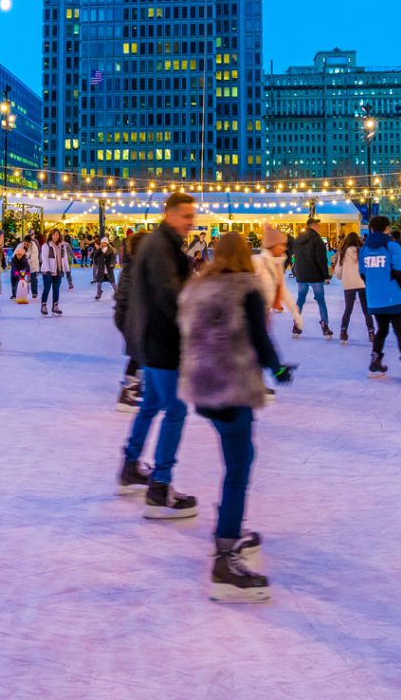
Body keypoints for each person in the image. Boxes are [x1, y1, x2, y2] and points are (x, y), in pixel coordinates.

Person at [178, 231, 292, 603]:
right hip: (232, 389)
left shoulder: (198, 288)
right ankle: (226, 558)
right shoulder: (245, 289)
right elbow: (261, 341)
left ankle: (228, 531)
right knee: (239, 468)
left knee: (236, 463)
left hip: (204, 389)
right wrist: (277, 372)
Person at [118, 193, 198, 517]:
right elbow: (171, 296)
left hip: (151, 339)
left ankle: (130, 465)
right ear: (170, 215)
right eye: (186, 216)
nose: (191, 222)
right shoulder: (162, 247)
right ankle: (160, 485)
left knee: (151, 404)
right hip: (162, 341)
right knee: (175, 410)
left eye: (193, 216)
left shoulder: (158, 243)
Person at [359, 215, 401, 381]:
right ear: (386, 228)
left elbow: (363, 273)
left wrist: (374, 285)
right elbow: (399, 271)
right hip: (393, 296)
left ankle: (375, 362)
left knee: (382, 330)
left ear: (371, 229)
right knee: (400, 331)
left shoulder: (364, 249)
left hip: (374, 297)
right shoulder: (392, 246)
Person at [253, 225, 301, 337]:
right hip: (253, 317)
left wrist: (295, 313)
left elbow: (282, 289)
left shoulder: (278, 264)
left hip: (264, 317)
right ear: (272, 245)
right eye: (282, 245)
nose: (284, 248)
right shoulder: (258, 261)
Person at [290, 216, 333, 339]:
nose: (319, 227)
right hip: (315, 276)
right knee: (320, 301)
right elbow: (321, 259)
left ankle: (296, 324)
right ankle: (325, 325)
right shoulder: (317, 240)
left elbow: (296, 257)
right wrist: (326, 276)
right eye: (317, 225)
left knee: (300, 300)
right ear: (312, 226)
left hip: (302, 275)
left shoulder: (298, 239)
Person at [112, 233, 142, 411]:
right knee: (140, 352)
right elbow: (125, 295)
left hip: (128, 314)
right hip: (128, 315)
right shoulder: (136, 266)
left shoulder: (134, 264)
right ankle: (128, 391)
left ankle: (134, 387)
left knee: (141, 353)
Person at [333, 231, 372, 344]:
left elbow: (339, 270)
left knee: (348, 309)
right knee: (366, 310)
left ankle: (343, 332)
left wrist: (340, 277)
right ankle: (371, 332)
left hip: (349, 284)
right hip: (362, 283)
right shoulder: (363, 252)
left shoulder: (343, 253)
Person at [39, 228, 70, 316]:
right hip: (48, 271)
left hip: (58, 271)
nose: (55, 236)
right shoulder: (46, 246)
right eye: (53, 234)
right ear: (50, 235)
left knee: (56, 289)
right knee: (47, 289)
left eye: (57, 234)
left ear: (59, 236)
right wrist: (48, 270)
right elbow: (44, 259)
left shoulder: (62, 246)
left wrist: (67, 270)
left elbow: (65, 259)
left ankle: (55, 306)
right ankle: (44, 305)